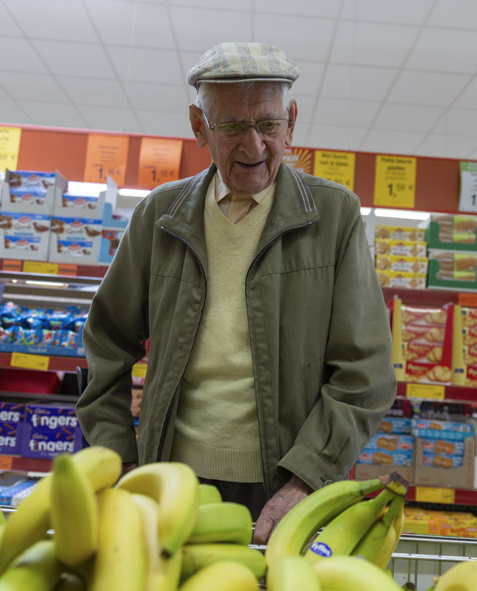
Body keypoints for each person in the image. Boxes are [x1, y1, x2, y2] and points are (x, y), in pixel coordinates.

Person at [77, 42, 396, 543]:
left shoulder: (334, 217)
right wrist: (119, 457)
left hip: (285, 484)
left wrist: (306, 477)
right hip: (170, 477)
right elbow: (106, 344)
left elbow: (365, 373)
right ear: (198, 125)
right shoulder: (159, 216)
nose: (253, 146)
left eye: (268, 125)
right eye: (231, 127)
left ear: (291, 121)